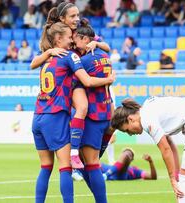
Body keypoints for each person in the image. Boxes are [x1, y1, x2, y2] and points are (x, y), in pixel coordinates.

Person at [32, 20, 114, 203]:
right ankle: (75, 152)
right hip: (55, 116)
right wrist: (109, 79)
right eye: (69, 38)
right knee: (66, 167)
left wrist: (47, 52)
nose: (72, 41)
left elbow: (32, 64)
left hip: (38, 116)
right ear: (59, 38)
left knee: (45, 167)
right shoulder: (70, 56)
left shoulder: (48, 58)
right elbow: (88, 82)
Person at [111, 96, 185, 202]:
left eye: (126, 130)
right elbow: (169, 143)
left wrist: (172, 179)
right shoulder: (147, 108)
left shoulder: (146, 120)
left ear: (130, 119)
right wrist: (175, 174)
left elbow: (165, 149)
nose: (130, 134)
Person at [72, 19, 114, 202]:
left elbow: (81, 83)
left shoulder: (82, 61)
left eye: (75, 39)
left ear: (83, 38)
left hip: (93, 117)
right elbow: (106, 46)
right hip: (106, 113)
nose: (73, 42)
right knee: (89, 164)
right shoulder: (105, 56)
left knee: (91, 164)